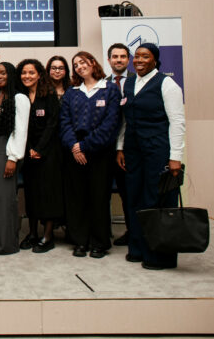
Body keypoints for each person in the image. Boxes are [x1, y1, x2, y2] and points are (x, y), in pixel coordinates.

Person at [116, 44, 185, 270]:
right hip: (133, 150)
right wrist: (120, 147)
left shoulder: (166, 84)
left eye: (145, 56)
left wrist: (175, 157)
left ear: (155, 60)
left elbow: (177, 122)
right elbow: (124, 120)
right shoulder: (128, 83)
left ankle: (159, 256)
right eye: (136, 56)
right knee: (134, 197)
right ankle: (137, 249)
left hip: (158, 149)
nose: (139, 60)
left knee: (155, 199)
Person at [59, 51, 121, 259]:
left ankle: (99, 243)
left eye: (83, 62)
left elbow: (111, 124)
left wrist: (84, 146)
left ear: (93, 63)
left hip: (100, 153)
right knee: (77, 199)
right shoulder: (71, 92)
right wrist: (74, 146)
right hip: (74, 153)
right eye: (76, 64)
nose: (79, 67)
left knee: (98, 198)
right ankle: (80, 241)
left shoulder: (110, 89)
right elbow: (64, 122)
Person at [17, 59, 64, 253]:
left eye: (31, 72)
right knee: (31, 195)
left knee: (47, 194)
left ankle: (48, 236)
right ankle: (32, 234)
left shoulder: (49, 94)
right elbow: (20, 126)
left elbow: (53, 124)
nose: (27, 76)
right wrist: (29, 149)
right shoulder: (20, 96)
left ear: (39, 75)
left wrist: (39, 149)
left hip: (48, 153)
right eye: (24, 73)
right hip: (28, 153)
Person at [0, 62, 29, 255]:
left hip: (7, 148)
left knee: (4, 197)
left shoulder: (19, 98)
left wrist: (13, 158)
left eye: (3, 73)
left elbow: (21, 130)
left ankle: (8, 244)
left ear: (11, 74)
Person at [105, 43, 135, 247]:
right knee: (103, 191)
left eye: (123, 56)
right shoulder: (103, 83)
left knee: (128, 192)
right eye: (115, 57)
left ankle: (133, 231)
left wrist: (121, 147)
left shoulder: (137, 81)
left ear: (128, 59)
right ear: (109, 60)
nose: (119, 60)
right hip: (105, 146)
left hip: (130, 146)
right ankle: (104, 231)